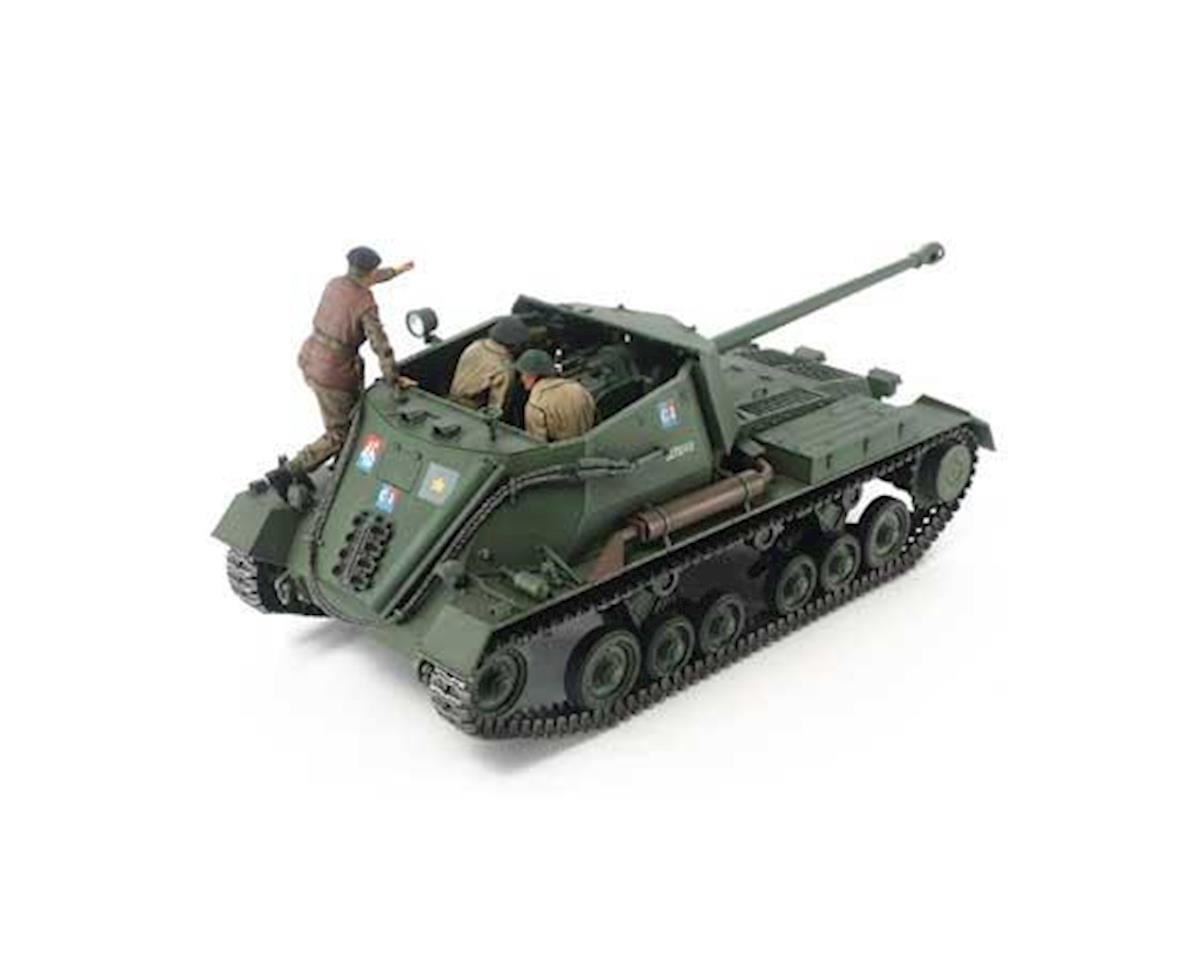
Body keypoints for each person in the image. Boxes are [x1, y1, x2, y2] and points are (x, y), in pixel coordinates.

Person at [257, 246, 414, 495]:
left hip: (311, 358)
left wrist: (396, 271)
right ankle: (289, 471)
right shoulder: (366, 304)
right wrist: (393, 379)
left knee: (345, 417)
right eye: (374, 272)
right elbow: (380, 346)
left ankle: (341, 460)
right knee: (340, 432)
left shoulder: (335, 284)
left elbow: (365, 279)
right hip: (334, 374)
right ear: (369, 272)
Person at [448, 315, 530, 413]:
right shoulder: (504, 369)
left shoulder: (474, 346)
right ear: (515, 345)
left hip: (450, 401)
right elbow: (496, 408)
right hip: (471, 411)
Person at [515, 349, 596, 441]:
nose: (522, 379)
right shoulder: (579, 389)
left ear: (532, 376)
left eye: (523, 374)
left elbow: (537, 444)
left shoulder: (535, 405)